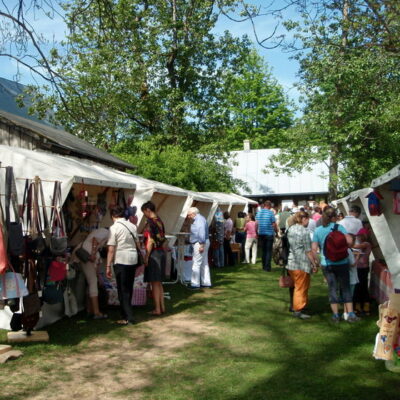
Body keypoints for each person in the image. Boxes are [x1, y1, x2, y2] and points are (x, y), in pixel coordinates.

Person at [312, 207, 359, 323]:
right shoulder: (340, 228)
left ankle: (335, 315)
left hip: (327, 263)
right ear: (334, 217)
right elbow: (349, 242)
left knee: (332, 288)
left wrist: (316, 261)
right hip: (342, 262)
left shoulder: (318, 230)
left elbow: (314, 249)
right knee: (346, 287)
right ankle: (351, 314)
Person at [106, 206, 139, 325]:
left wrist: (108, 266)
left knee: (122, 289)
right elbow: (137, 243)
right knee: (128, 288)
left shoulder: (114, 228)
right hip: (132, 258)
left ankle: (129, 317)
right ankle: (125, 314)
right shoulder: (132, 226)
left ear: (113, 216)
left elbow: (111, 248)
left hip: (121, 259)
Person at [287, 211, 319, 319]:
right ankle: (298, 310)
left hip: (291, 262)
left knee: (297, 286)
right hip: (301, 264)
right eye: (308, 219)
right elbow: (308, 251)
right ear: (303, 219)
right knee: (301, 288)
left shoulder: (290, 229)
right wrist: (314, 264)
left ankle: (299, 306)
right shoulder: (304, 232)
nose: (308, 221)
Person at [73, 227, 109, 319]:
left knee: (91, 282)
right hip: (88, 253)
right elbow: (95, 240)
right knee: (93, 282)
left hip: (85, 252)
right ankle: (96, 312)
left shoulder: (102, 231)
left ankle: (90, 310)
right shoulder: (106, 232)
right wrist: (93, 254)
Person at [141, 201, 167, 315]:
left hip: (154, 254)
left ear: (148, 210)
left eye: (144, 212)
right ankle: (162, 307)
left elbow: (150, 241)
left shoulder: (150, 222)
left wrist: (146, 256)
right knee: (159, 282)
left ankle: (157, 309)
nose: (144, 215)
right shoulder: (160, 220)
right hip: (161, 252)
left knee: (154, 283)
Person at [187, 207, 211, 289]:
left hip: (200, 242)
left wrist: (201, 244)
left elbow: (201, 232)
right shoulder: (201, 218)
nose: (188, 217)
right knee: (204, 263)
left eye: (189, 215)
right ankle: (206, 282)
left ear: (193, 213)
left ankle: (195, 284)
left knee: (196, 263)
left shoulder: (199, 220)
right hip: (203, 241)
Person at [352, 228, 372, 315]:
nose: (358, 238)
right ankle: (360, 306)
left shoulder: (366, 244)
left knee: (362, 287)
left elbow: (356, 247)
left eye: (359, 236)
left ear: (364, 236)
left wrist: (348, 243)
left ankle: (364, 306)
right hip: (359, 268)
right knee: (359, 287)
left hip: (363, 268)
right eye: (357, 237)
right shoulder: (362, 244)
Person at [256, 200, 277, 272]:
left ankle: (263, 266)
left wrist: (256, 232)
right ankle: (267, 267)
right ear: (269, 206)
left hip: (261, 234)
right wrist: (276, 231)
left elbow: (256, 223)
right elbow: (274, 224)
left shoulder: (259, 213)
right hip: (269, 234)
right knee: (268, 251)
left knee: (263, 250)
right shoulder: (271, 213)